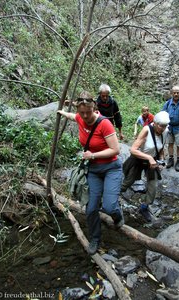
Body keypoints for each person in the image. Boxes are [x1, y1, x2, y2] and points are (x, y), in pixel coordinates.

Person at [57, 91, 124, 255]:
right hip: (93, 170)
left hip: (111, 168)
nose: (85, 116)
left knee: (108, 206)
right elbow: (73, 116)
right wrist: (62, 113)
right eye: (82, 113)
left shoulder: (105, 124)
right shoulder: (79, 117)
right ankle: (95, 238)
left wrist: (93, 154)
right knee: (91, 208)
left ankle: (117, 213)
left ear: (95, 108)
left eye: (88, 112)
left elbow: (116, 149)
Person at [121, 111, 170, 222]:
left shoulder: (165, 131)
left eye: (165, 126)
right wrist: (149, 158)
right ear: (155, 123)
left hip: (152, 162)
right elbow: (133, 150)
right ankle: (112, 197)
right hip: (138, 159)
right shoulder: (146, 130)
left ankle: (144, 207)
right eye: (161, 126)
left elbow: (161, 148)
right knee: (128, 182)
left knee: (153, 185)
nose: (162, 128)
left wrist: (161, 160)